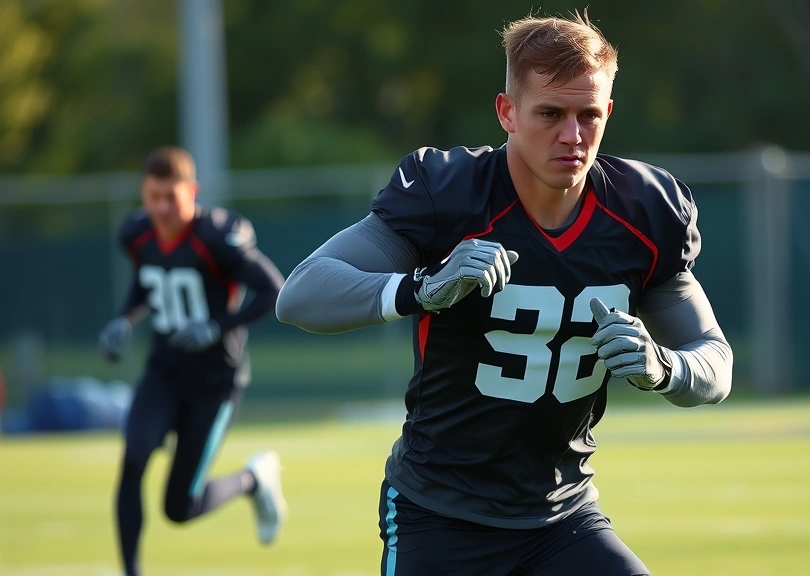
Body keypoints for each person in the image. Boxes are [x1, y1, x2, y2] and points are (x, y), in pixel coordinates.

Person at [277, 10, 733, 576]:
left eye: (588, 115)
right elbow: (300, 295)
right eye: (550, 113)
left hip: (563, 519)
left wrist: (664, 368)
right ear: (507, 112)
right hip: (439, 515)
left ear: (609, 112)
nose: (572, 136)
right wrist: (423, 288)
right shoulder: (448, 194)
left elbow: (715, 362)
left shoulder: (644, 210)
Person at [98, 146, 287, 576]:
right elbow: (148, 283)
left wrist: (216, 325)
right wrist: (123, 320)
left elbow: (274, 290)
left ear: (193, 192)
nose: (162, 208)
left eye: (172, 196)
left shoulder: (217, 237)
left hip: (215, 383)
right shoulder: (136, 233)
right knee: (133, 458)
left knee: (179, 507)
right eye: (153, 197)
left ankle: (254, 479)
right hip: (164, 371)